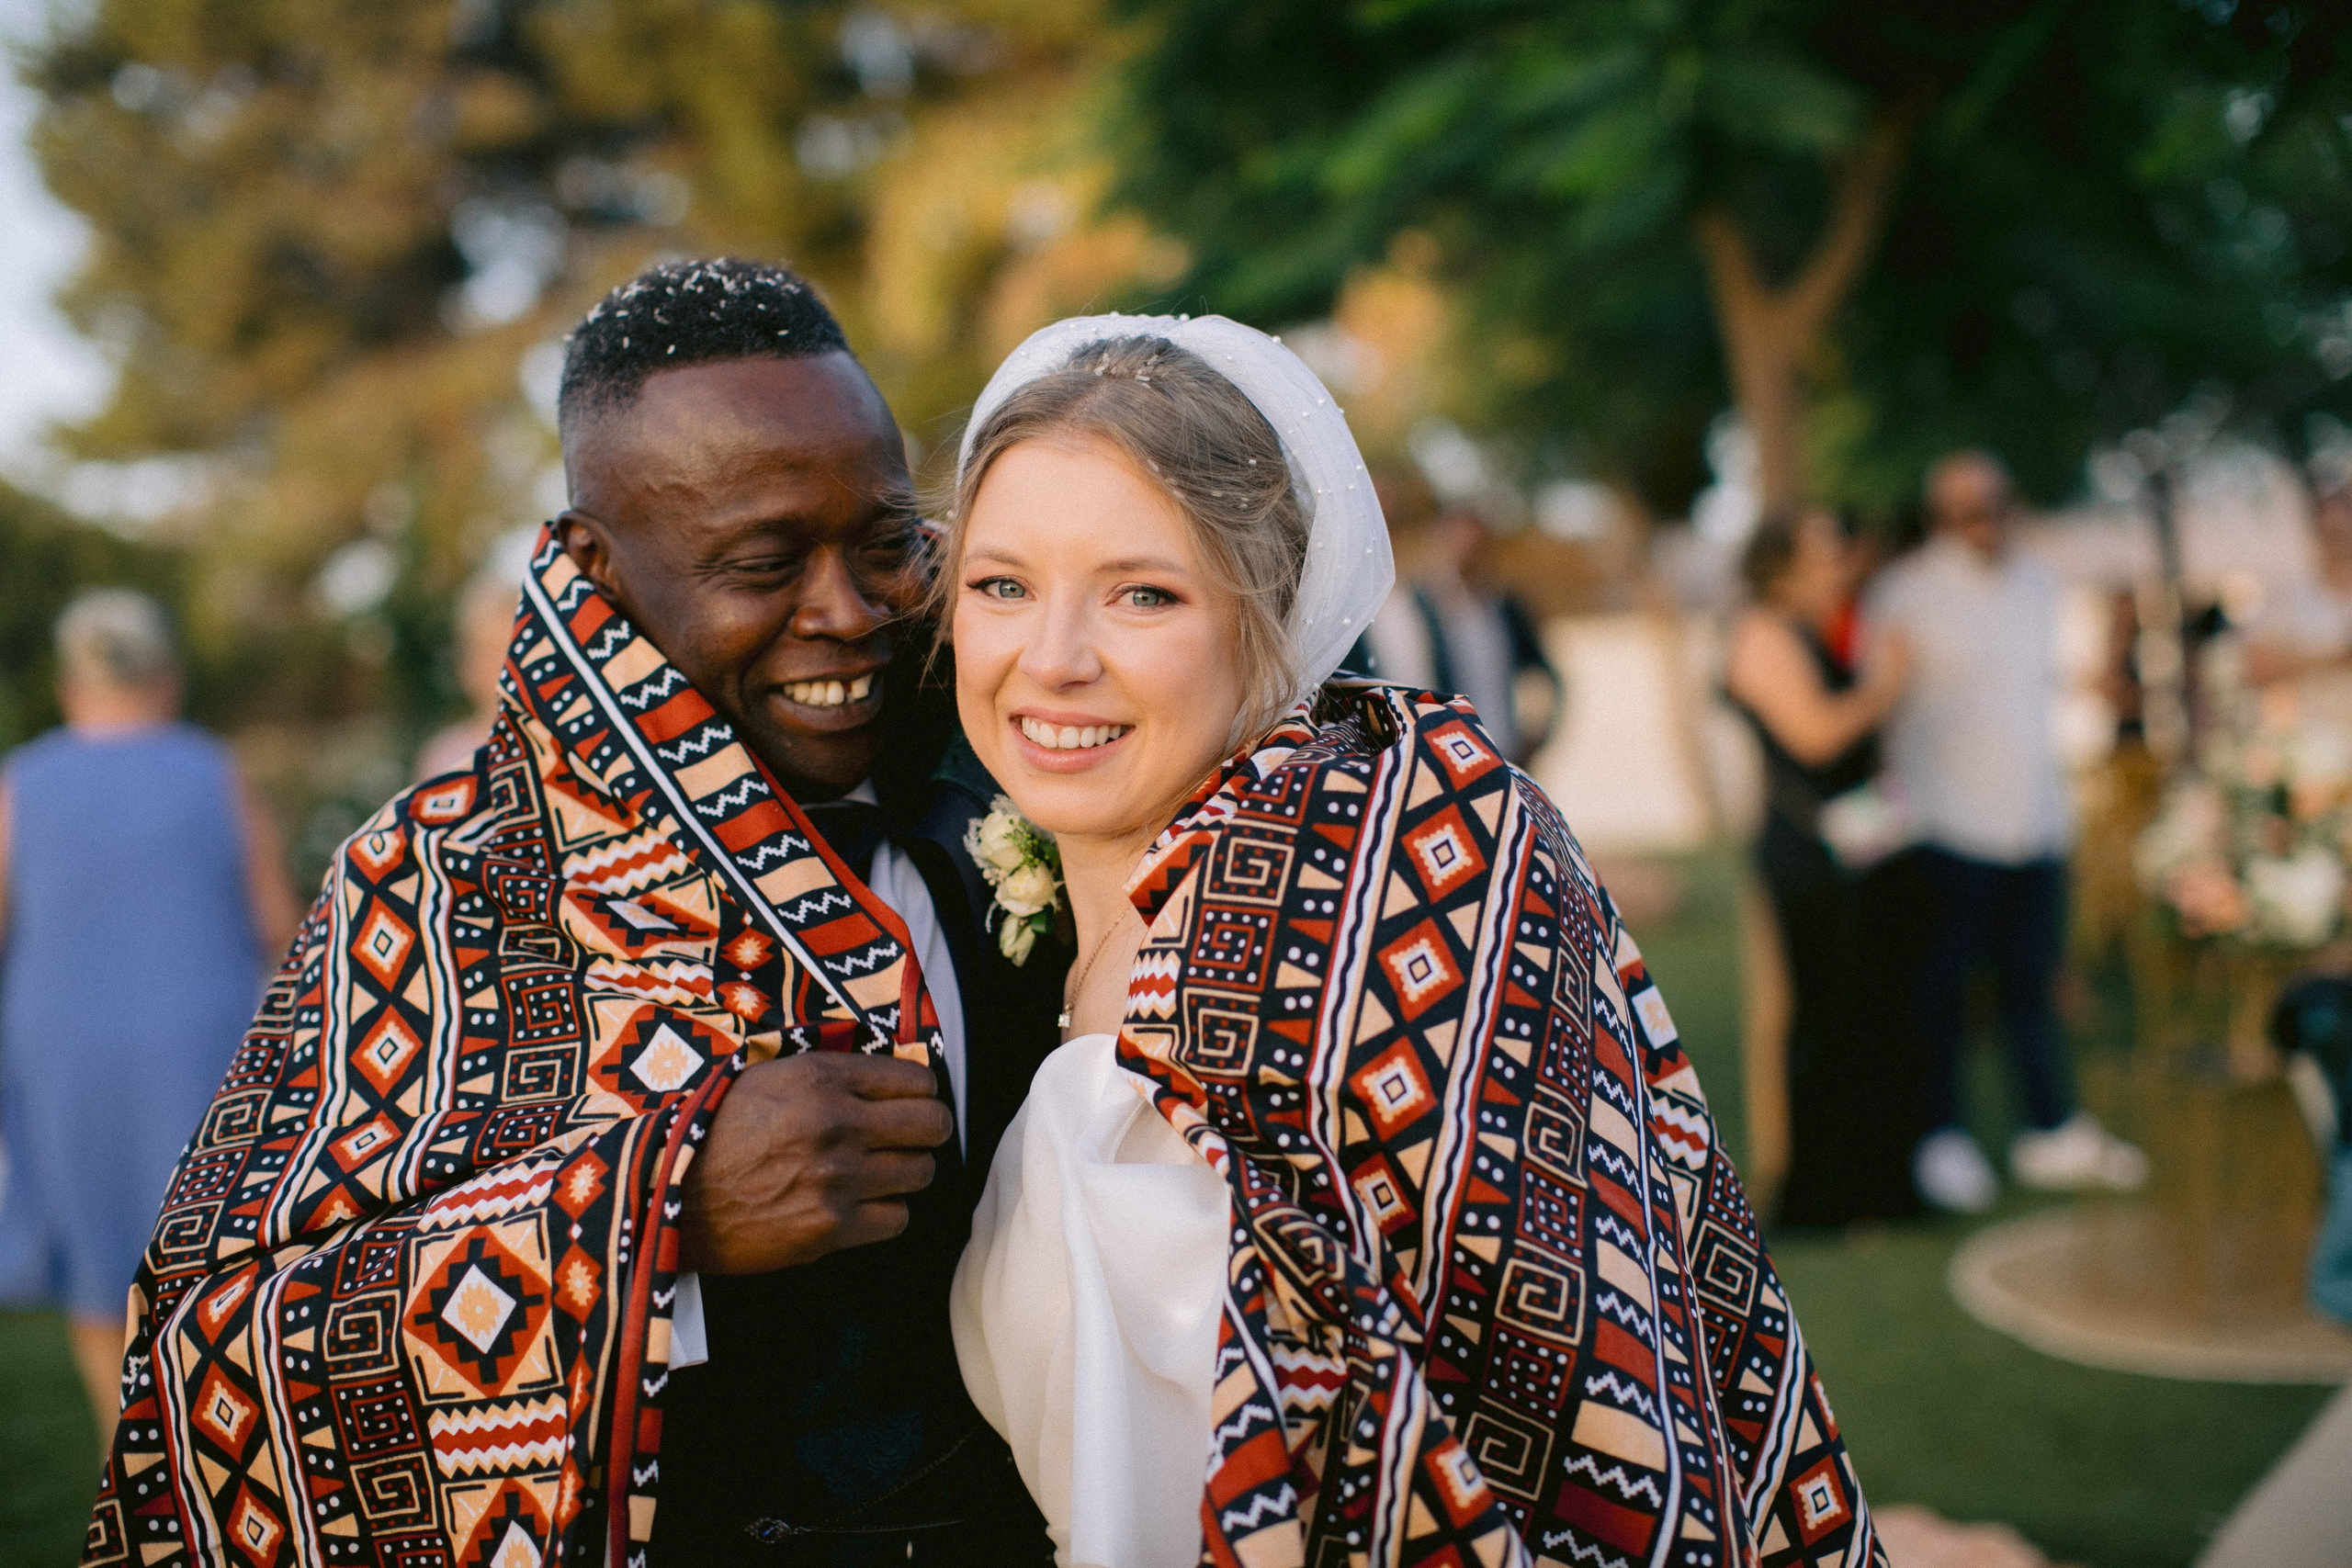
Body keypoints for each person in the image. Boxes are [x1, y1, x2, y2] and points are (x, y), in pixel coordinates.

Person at [85, 260, 1064, 1568]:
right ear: (595, 566)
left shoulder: (1029, 779)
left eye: (886, 541)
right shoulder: (441, 876)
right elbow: (216, 1343)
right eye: (765, 562)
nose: (848, 611)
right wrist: (654, 1218)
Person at [948, 319, 1883, 1567]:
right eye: (1000, 583)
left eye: (1143, 592)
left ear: (1267, 618)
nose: (1050, 659)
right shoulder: (1221, 894)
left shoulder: (1276, 977)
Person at [0, 589, 300, 1450]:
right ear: (165, 676)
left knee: (100, 1272)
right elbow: (280, 927)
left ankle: (124, 1457)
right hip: (205, 1049)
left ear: (68, 682)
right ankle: (228, 1456)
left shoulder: (21, 782)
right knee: (210, 1260)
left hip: (68, 1052)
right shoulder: (215, 768)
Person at [1867, 452, 2146, 1213]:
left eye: (1992, 503)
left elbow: (2041, 683)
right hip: (1947, 820)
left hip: (2035, 819)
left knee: (2031, 981)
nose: (1981, 521)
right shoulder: (1906, 593)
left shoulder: (2039, 582)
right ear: (1939, 519)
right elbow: (1879, 711)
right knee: (1946, 992)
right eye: (1962, 510)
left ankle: (2049, 1128)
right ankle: (1943, 1137)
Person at [1722, 509, 1927, 1226]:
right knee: (1825, 1018)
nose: (1839, 564)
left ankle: (1879, 1183)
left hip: (1860, 845)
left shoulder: (1818, 626)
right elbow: (1813, 736)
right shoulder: (1761, 634)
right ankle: (1819, 1194)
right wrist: (1888, 683)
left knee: (1872, 1012)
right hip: (1807, 854)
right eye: (1822, 554)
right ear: (1780, 566)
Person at [1362, 504, 1562, 765]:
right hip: (1445, 759)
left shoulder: (1505, 608)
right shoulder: (1413, 612)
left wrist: (1536, 735)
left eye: (1477, 547)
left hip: (1505, 754)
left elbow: (1540, 674)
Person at [412, 534, 529, 781]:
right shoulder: (445, 757)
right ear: (464, 665)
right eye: (484, 651)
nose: (498, 666)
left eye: (506, 650)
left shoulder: (556, 750)